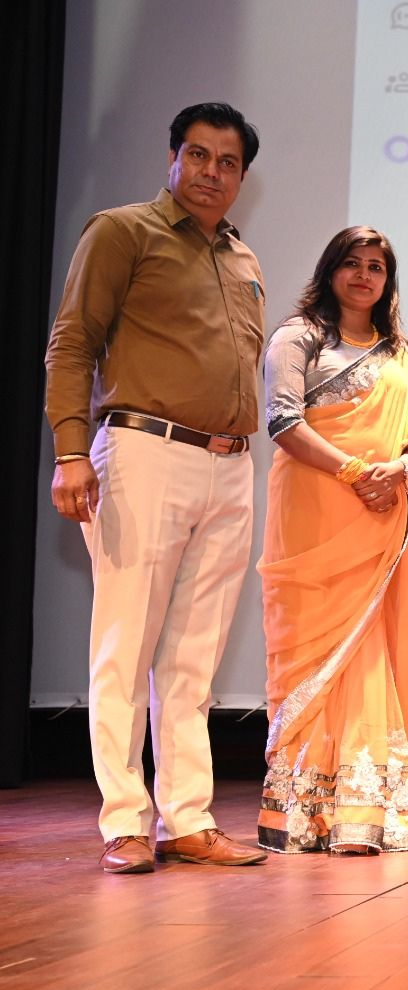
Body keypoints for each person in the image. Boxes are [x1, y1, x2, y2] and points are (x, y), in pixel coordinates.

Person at [43, 101, 269, 873]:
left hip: (231, 464)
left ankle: (188, 819)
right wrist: (72, 452)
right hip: (143, 449)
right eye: (198, 155)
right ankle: (124, 823)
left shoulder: (242, 258)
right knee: (125, 643)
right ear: (172, 158)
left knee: (193, 658)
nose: (212, 172)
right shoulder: (122, 231)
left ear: (242, 176)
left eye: (228, 162)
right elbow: (72, 343)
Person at [255, 227, 408, 854]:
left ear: (388, 281)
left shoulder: (399, 353)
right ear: (330, 270)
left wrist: (403, 467)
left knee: (367, 652)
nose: (364, 276)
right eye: (353, 264)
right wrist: (356, 472)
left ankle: (361, 813)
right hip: (315, 512)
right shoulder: (298, 337)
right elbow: (282, 420)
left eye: (376, 267)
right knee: (314, 651)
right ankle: (302, 812)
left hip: (379, 513)